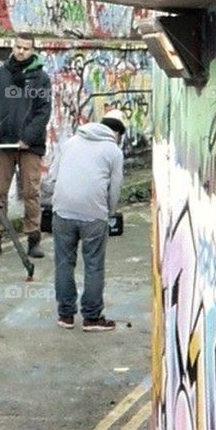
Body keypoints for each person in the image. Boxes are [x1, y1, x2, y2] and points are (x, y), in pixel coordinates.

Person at [0, 32, 52, 260]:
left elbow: (43, 112)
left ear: (33, 50)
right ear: (13, 46)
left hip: (30, 145)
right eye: (18, 47)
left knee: (31, 191)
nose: (21, 51)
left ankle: (33, 238)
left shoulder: (41, 78)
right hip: (3, 142)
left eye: (26, 48)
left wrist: (27, 138)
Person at [52, 108, 126, 332]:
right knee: (93, 265)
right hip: (94, 214)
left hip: (63, 211)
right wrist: (108, 214)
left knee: (64, 264)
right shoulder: (113, 151)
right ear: (118, 133)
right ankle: (92, 318)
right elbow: (115, 189)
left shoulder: (70, 142)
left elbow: (52, 177)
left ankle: (66, 316)